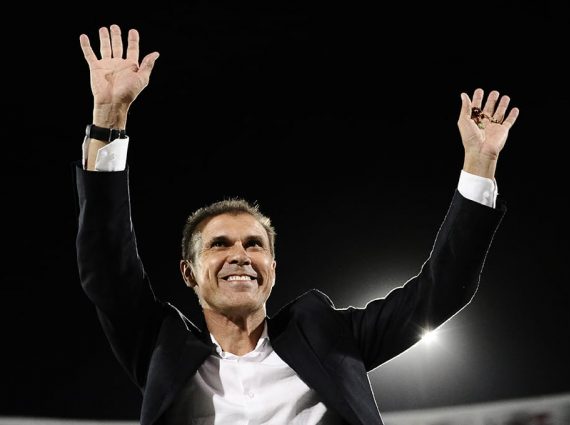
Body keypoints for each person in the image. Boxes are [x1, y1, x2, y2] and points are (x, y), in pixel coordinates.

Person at [73, 24, 519, 425]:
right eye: (219, 244)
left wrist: (480, 166)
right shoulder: (160, 348)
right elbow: (107, 265)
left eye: (254, 244)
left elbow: (442, 290)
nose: (240, 255)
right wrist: (110, 117)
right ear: (188, 272)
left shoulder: (330, 338)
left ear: (272, 268)